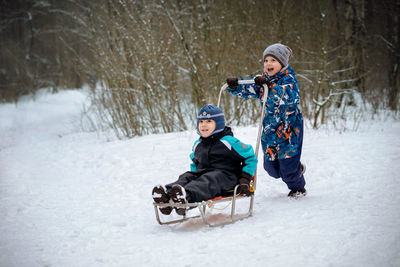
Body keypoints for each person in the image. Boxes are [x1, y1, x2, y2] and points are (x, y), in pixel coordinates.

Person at [226, 43, 307, 198]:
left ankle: (298, 188)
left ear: (282, 63)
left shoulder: (289, 79)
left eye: (273, 60)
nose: (268, 64)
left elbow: (289, 97)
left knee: (288, 169)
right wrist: (234, 86)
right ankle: (294, 169)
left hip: (289, 132)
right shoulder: (262, 81)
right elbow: (249, 89)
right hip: (270, 131)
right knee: (271, 169)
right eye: (266, 60)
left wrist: (270, 86)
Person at [152, 104, 258, 216]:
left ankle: (186, 197)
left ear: (218, 124)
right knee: (187, 176)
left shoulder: (229, 142)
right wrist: (194, 174)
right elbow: (195, 162)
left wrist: (245, 178)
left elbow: (250, 157)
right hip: (204, 174)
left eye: (208, 121)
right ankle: (167, 197)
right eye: (201, 122)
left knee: (209, 179)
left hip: (226, 177)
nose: (204, 125)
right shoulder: (198, 144)